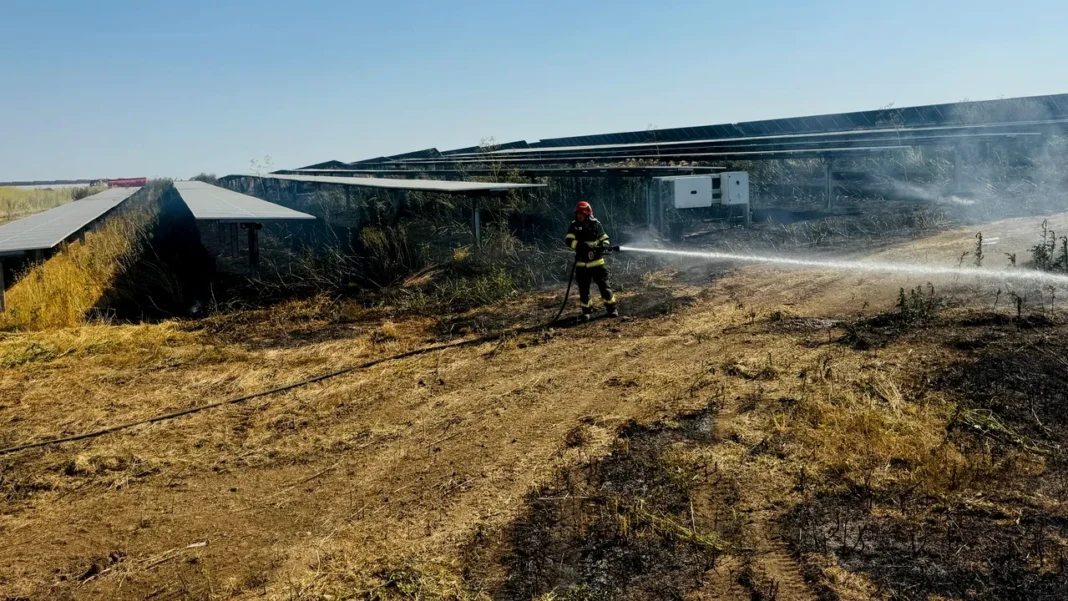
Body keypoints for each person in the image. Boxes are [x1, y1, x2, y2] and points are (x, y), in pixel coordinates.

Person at [564, 201, 618, 320]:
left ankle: (611, 308)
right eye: (578, 213)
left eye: (582, 213)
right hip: (582, 264)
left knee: (604, 287)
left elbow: (604, 237)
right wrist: (580, 246)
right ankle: (586, 311)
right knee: (584, 289)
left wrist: (604, 244)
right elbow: (568, 240)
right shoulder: (574, 225)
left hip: (597, 263)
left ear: (588, 213)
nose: (579, 215)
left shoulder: (596, 224)